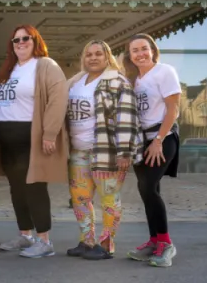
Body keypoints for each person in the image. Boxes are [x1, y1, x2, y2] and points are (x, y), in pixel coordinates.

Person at [0, 25, 69, 258]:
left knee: (34, 188)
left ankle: (44, 240)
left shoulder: (45, 65)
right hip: (7, 139)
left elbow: (58, 98)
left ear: (36, 41)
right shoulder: (10, 68)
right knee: (16, 189)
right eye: (16, 40)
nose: (20, 43)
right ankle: (25, 235)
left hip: (30, 136)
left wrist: (49, 134)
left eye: (26, 38)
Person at [65, 40, 139, 260]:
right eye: (89, 54)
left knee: (109, 199)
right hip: (78, 152)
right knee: (79, 199)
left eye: (99, 54)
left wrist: (125, 152)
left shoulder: (118, 82)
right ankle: (86, 241)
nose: (93, 58)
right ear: (83, 58)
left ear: (108, 57)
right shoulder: (76, 82)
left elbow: (127, 118)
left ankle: (106, 245)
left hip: (106, 152)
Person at [123, 33, 180, 268]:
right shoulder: (133, 79)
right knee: (146, 189)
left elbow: (173, 108)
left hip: (162, 136)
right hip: (141, 140)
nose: (140, 54)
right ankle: (153, 240)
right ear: (129, 55)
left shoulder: (164, 71)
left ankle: (166, 244)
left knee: (148, 186)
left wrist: (158, 140)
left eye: (144, 48)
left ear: (153, 50)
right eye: (134, 50)